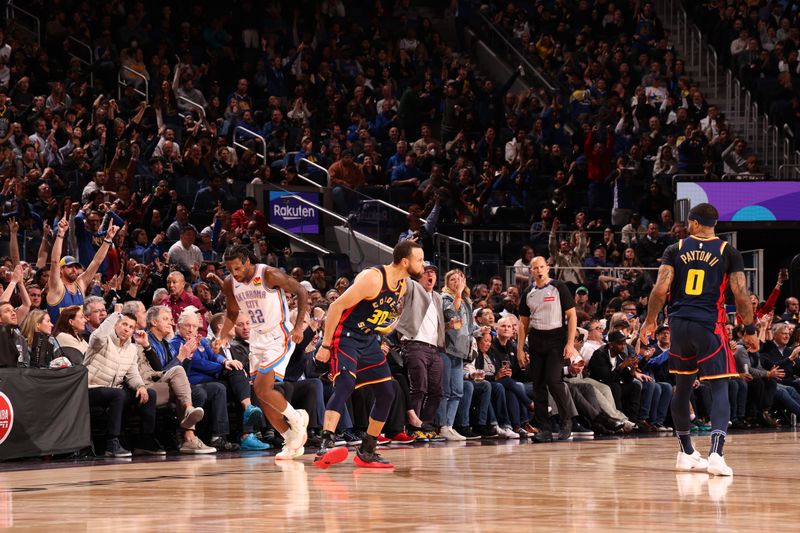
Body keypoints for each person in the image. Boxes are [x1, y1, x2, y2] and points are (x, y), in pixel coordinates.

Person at [641, 202, 757, 476]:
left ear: (693, 223)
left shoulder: (675, 249)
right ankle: (716, 454)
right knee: (719, 388)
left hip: (679, 324)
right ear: (714, 224)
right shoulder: (728, 252)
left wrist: (649, 321)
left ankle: (686, 451)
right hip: (710, 325)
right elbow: (740, 294)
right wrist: (749, 329)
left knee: (681, 387)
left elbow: (659, 290)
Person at [314, 240, 424, 468]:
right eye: (419, 260)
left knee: (387, 391)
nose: (423, 265)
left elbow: (381, 319)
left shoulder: (402, 285)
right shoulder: (373, 278)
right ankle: (325, 444)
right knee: (345, 384)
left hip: (368, 339)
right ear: (405, 261)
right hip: (345, 336)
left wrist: (386, 333)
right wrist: (325, 346)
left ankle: (367, 448)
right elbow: (335, 307)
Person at [214, 244, 310, 460]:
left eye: (237, 268)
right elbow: (232, 312)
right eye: (230, 270)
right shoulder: (231, 283)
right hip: (257, 339)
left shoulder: (267, 274)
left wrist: (297, 327)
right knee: (262, 395)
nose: (234, 274)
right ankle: (291, 439)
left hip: (278, 335)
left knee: (262, 387)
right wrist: (221, 337)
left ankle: (297, 419)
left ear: (247, 262)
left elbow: (301, 291)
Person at [517, 256, 579, 442]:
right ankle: (544, 428)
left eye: (542, 267)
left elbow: (572, 316)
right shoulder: (528, 292)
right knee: (538, 386)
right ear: (531, 271)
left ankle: (566, 419)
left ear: (548, 268)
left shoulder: (559, 287)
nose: (539, 270)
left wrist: (570, 343)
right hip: (536, 339)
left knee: (554, 381)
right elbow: (522, 323)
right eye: (535, 268)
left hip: (556, 338)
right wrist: (520, 349)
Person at [46, 214, 119, 324]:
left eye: (76, 267)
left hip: (78, 336)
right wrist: (60, 235)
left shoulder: (80, 284)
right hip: (59, 337)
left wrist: (108, 239)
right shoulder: (56, 287)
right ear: (61, 270)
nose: (74, 270)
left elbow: (96, 262)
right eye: (70, 267)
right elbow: (55, 261)